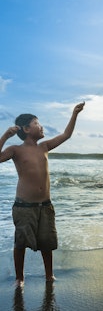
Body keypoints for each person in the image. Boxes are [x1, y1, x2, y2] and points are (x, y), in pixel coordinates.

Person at [0, 102, 85, 286]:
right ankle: (20, 277)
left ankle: (49, 275)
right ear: (27, 129)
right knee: (20, 242)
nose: (42, 126)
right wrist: (6, 136)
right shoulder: (15, 150)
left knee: (47, 242)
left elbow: (66, 135)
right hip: (24, 206)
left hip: (45, 206)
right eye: (37, 123)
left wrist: (75, 113)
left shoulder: (44, 146)